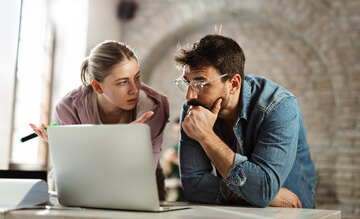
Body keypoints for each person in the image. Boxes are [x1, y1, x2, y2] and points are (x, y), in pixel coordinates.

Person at [174, 34, 317, 208]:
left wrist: (206, 136)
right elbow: (194, 186)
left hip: (294, 213)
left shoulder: (279, 106)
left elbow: (263, 190)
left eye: (201, 84)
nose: (190, 95)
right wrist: (261, 195)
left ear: (234, 84)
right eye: (187, 83)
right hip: (237, 213)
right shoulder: (193, 110)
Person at [30, 40, 169, 199]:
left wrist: (82, 151)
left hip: (143, 186)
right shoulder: (68, 108)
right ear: (98, 87)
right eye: (123, 82)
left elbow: (141, 174)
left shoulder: (154, 106)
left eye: (137, 77)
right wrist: (63, 148)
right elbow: (71, 176)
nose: (135, 89)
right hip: (86, 187)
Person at [161, 118, 186, 201]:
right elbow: (168, 173)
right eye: (175, 133)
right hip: (179, 192)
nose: (177, 136)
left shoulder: (196, 148)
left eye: (179, 133)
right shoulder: (174, 149)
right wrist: (166, 161)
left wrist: (176, 160)